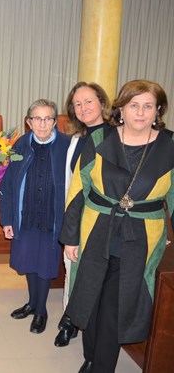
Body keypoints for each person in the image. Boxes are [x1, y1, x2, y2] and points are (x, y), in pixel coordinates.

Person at [60, 80, 173, 373]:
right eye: (134, 105)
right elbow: (77, 190)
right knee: (92, 297)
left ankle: (101, 366)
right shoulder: (100, 140)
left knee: (115, 303)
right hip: (97, 227)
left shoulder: (169, 146)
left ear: (158, 110)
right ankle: (92, 354)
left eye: (149, 106)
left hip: (141, 236)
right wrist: (70, 237)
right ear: (121, 108)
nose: (141, 112)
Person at [0, 99, 69, 334]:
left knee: (46, 265)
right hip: (26, 216)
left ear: (55, 121)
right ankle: (31, 303)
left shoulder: (66, 146)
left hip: (52, 218)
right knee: (29, 262)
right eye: (37, 118)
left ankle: (41, 310)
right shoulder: (19, 145)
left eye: (48, 118)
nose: (42, 123)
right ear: (28, 122)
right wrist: (7, 219)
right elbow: (7, 185)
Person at [54, 82, 110, 348]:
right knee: (72, 268)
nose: (83, 108)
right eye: (77, 104)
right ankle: (70, 319)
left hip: (104, 218)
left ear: (102, 102)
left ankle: (85, 324)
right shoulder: (77, 140)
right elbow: (69, 183)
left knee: (94, 273)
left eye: (88, 101)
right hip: (77, 215)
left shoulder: (116, 136)